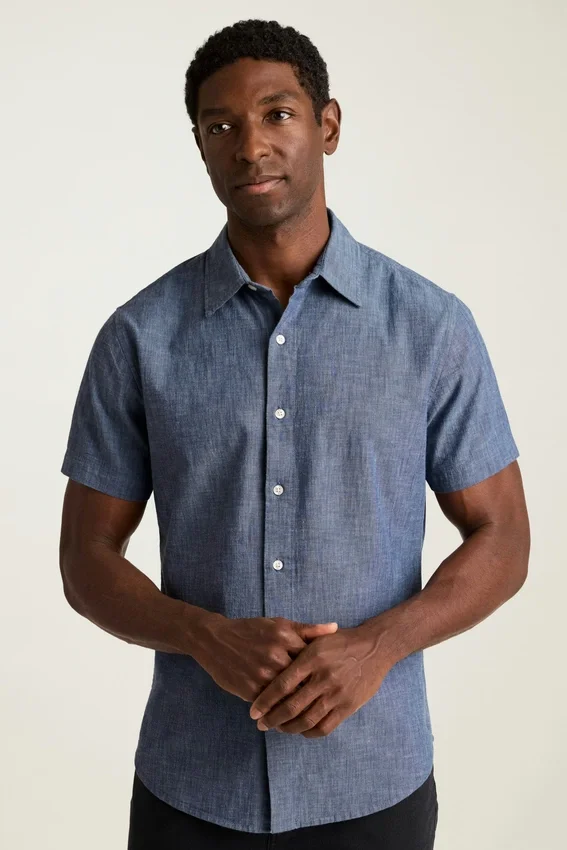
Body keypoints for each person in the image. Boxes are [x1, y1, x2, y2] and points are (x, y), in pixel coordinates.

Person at [58, 18, 530, 850]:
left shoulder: (430, 328)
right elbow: (85, 559)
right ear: (200, 147)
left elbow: (504, 537)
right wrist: (202, 634)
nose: (250, 147)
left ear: (328, 125)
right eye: (220, 126)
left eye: (277, 114)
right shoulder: (139, 337)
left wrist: (377, 647)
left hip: (372, 784)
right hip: (191, 787)